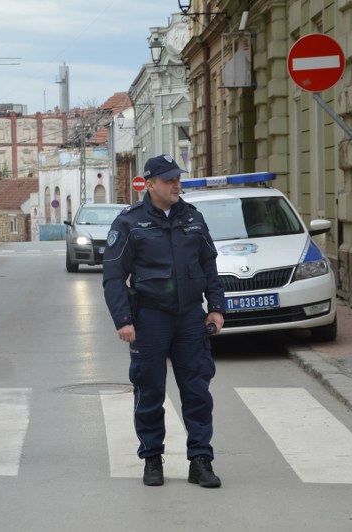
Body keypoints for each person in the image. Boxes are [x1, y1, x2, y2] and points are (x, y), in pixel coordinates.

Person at [102, 154, 225, 488]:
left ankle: (200, 461)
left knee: (197, 391)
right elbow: (114, 276)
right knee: (149, 391)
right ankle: (152, 459)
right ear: (150, 184)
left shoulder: (194, 219)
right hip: (149, 319)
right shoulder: (130, 222)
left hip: (189, 318)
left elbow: (209, 264)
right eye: (169, 180)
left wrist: (216, 306)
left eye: (177, 179)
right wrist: (123, 319)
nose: (176, 184)